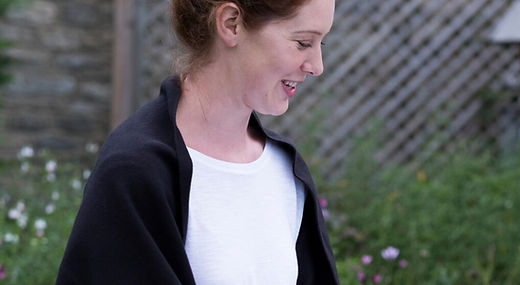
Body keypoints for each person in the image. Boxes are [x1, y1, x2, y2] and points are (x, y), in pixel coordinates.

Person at [57, 0, 339, 284]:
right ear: (231, 24)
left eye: (321, 45)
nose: (317, 67)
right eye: (304, 42)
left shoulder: (285, 170)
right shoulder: (135, 171)